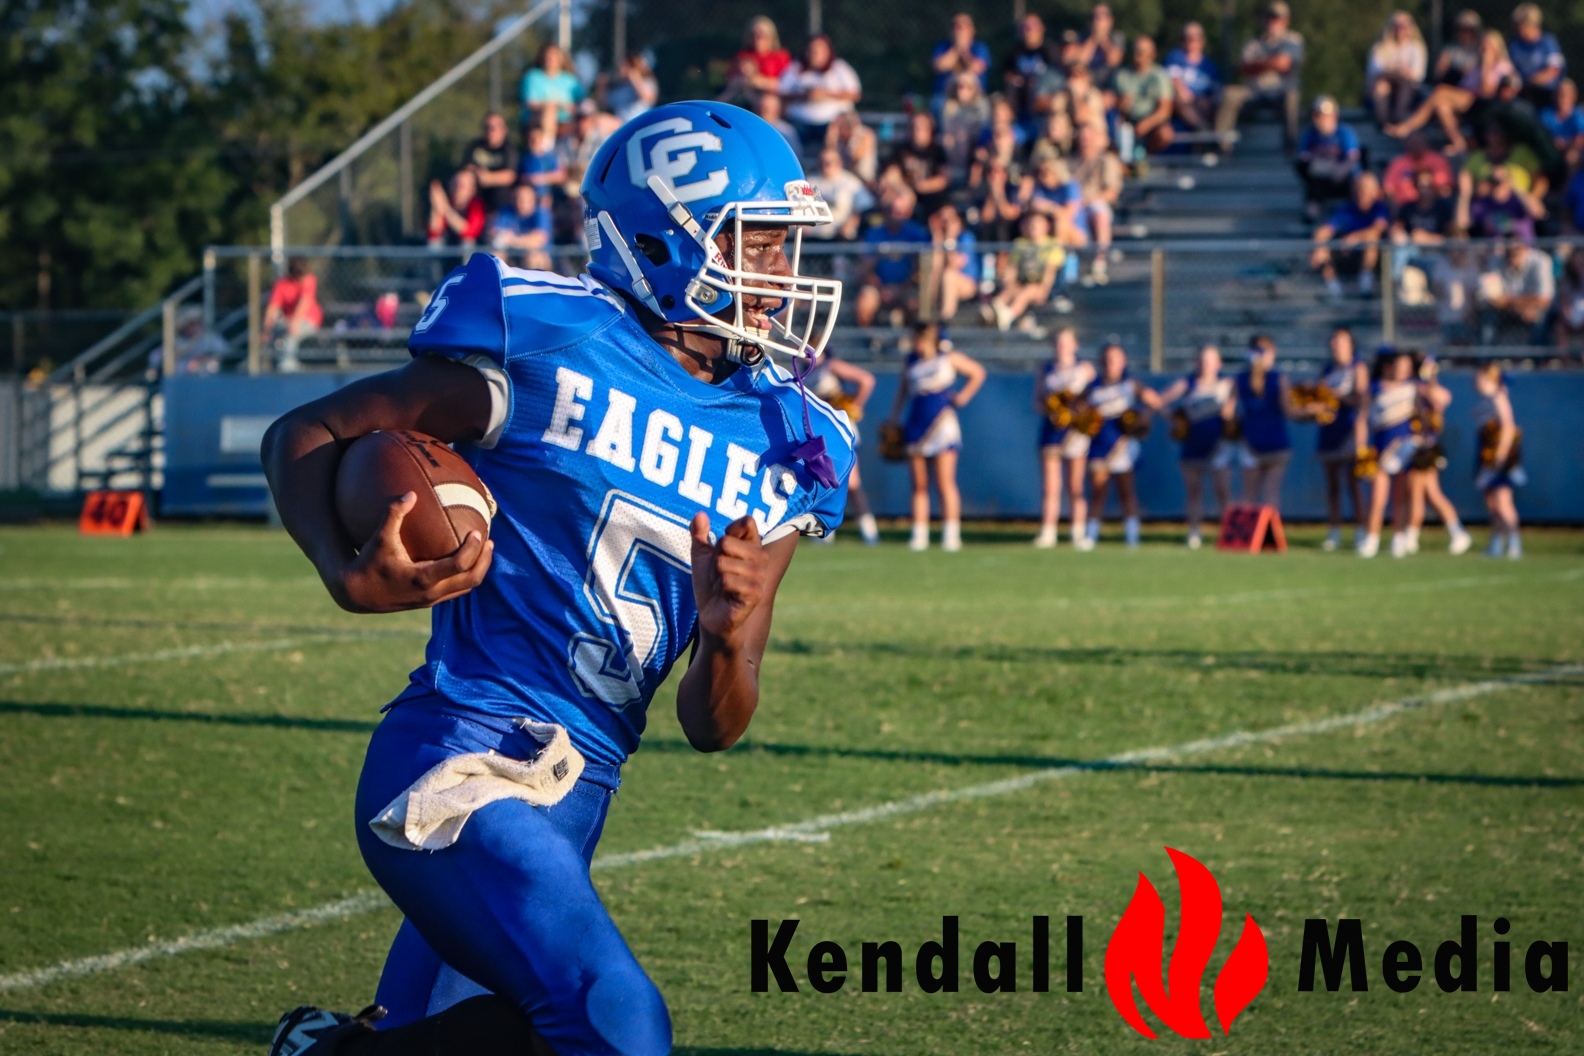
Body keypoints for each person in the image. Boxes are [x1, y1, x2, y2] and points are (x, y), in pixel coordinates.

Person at [261, 101, 853, 1056]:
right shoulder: (548, 342)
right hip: (459, 753)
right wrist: (342, 568)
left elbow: (716, 724)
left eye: (785, 244)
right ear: (663, 241)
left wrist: (724, 633)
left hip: (579, 795)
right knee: (617, 1020)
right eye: (757, 241)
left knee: (519, 1036)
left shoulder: (790, 441)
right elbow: (309, 431)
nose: (780, 272)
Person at [886, 322, 985, 551]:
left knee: (944, 481)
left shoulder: (948, 358)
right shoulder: (910, 361)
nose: (915, 343)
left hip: (942, 423)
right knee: (919, 483)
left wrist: (962, 397)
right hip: (916, 422)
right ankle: (919, 534)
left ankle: (951, 534)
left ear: (929, 339)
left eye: (918, 338)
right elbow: (902, 391)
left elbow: (977, 373)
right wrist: (893, 418)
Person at [1385, 29, 1516, 155]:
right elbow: (1463, 85)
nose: (1484, 49)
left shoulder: (1503, 66)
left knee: (1441, 91)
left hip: (1482, 103)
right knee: (1442, 106)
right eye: (1483, 45)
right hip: (1466, 99)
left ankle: (1407, 127)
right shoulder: (1476, 67)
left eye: (1488, 45)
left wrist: (1486, 66)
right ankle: (1459, 143)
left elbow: (1487, 91)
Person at [1155, 343, 1234, 549]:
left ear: (1218, 363)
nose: (1205, 365)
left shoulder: (1227, 384)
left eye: (1210, 361)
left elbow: (1232, 410)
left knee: (1222, 491)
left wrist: (1229, 413)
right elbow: (1158, 400)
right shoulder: (1188, 383)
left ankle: (1229, 533)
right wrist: (1173, 419)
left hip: (1218, 445)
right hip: (1192, 444)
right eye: (1202, 360)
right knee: (1194, 492)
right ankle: (1194, 533)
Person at [1084, 342, 1160, 548]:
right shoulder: (1093, 386)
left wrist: (1142, 419)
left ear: (1123, 362)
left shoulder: (1130, 384)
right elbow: (1079, 409)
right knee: (1097, 492)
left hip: (1123, 445)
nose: (1110, 364)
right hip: (1099, 443)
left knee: (1126, 492)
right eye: (1107, 359)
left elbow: (1155, 402)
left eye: (1115, 360)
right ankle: (1090, 536)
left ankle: (1132, 536)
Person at [804, 349, 880, 544]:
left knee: (852, 483)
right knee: (821, 480)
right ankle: (823, 532)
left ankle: (869, 532)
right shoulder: (804, 371)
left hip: (838, 430)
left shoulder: (830, 366)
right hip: (818, 431)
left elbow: (866, 380)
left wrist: (855, 405)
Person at [1031, 327, 1097, 549]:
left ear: (1075, 346)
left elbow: (1094, 397)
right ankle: (1048, 532)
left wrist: (1079, 412)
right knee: (1050, 487)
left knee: (1075, 485)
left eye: (1066, 343)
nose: (1061, 347)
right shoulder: (1046, 369)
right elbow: (1037, 401)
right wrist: (1052, 410)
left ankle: (1077, 532)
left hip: (1076, 432)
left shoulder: (1085, 368)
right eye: (1058, 343)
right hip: (1052, 431)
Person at [1402, 353, 1473, 556]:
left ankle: (1412, 537)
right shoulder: (1412, 388)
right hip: (1413, 446)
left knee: (1421, 492)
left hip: (1426, 448)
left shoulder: (1429, 390)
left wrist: (1428, 382)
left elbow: (1441, 400)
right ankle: (1453, 532)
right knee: (1426, 493)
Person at [1305, 327, 1368, 551]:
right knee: (1332, 485)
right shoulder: (1327, 370)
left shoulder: (1357, 368)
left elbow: (1360, 399)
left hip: (1349, 430)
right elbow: (1321, 401)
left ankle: (1361, 531)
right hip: (1329, 430)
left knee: (1353, 484)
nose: (1336, 345)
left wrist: (1335, 395)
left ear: (1350, 345)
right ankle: (1334, 532)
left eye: (1341, 341)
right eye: (1334, 341)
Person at [1356, 346, 1421, 558]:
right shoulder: (1374, 389)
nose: (1404, 370)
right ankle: (1371, 538)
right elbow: (1362, 420)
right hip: (1381, 449)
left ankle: (1398, 538)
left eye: (1408, 367)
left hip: (1405, 450)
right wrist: (1361, 448)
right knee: (1377, 497)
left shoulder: (1413, 388)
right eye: (1400, 366)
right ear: (1388, 367)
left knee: (1400, 497)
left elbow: (1439, 402)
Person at [1216, 1, 1304, 149]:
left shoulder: (1293, 40)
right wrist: (1271, 63)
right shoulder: (1253, 43)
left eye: (1276, 18)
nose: (1272, 22)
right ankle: (1221, 146)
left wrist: (1259, 64)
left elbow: (1283, 64)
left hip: (1280, 93)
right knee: (1229, 94)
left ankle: (1291, 146)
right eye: (1269, 17)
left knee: (1291, 97)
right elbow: (1243, 67)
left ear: (1285, 20)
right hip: (1255, 93)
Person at [1233, 336, 1294, 510]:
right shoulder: (1277, 378)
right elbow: (1290, 411)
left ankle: (1248, 529)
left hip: (1255, 443)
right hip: (1270, 443)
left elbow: (1228, 412)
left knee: (1249, 495)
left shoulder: (1241, 379)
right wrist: (1312, 411)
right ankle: (1269, 529)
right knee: (1269, 494)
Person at [855, 188, 930, 327]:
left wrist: (901, 288)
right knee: (865, 301)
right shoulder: (874, 234)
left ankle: (910, 337)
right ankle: (870, 337)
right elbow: (865, 267)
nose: (894, 215)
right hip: (879, 288)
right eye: (891, 211)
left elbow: (921, 268)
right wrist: (880, 287)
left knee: (914, 303)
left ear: (908, 213)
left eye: (899, 212)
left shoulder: (917, 235)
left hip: (907, 287)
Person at [1472, 362, 1525, 557]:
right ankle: (1496, 543)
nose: (1475, 382)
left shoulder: (1498, 397)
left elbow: (1508, 427)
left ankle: (1514, 543)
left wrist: (1500, 455)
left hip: (1498, 458)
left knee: (1503, 502)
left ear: (1489, 379)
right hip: (1486, 455)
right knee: (1491, 503)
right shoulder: (1485, 400)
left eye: (1479, 378)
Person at [1310, 171, 1389, 297]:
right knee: (1322, 249)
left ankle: (1365, 287)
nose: (1363, 193)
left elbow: (1378, 229)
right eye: (1361, 189)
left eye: (1367, 189)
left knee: (1372, 240)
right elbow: (1325, 230)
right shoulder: (1347, 209)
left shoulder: (1380, 208)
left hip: (1376, 256)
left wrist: (1355, 237)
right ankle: (1335, 291)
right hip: (1347, 252)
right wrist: (1319, 246)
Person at [780, 35, 862, 154]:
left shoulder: (839, 68)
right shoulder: (795, 67)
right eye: (811, 50)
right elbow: (781, 92)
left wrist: (826, 94)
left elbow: (855, 94)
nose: (815, 54)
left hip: (833, 123)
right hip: (799, 123)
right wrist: (805, 96)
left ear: (828, 51)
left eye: (819, 50)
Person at [991, 211, 1064, 332]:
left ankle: (1008, 315)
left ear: (1046, 226)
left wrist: (1044, 289)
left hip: (1040, 286)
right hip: (1022, 282)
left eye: (1037, 223)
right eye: (1030, 223)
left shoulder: (1052, 245)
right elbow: (1012, 267)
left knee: (1027, 291)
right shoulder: (1020, 244)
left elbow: (1050, 271)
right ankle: (993, 309)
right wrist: (1008, 282)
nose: (1033, 226)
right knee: (1010, 290)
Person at [1071, 122, 1123, 285]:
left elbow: (1112, 193)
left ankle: (1099, 262)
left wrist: (1087, 201)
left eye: (1088, 137)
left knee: (1099, 213)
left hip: (1094, 203)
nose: (1085, 140)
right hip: (1073, 206)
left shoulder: (1106, 160)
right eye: (1082, 137)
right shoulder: (1071, 161)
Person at [1296, 95, 1361, 221]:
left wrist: (1336, 170)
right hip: (1322, 179)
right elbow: (1304, 162)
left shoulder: (1344, 133)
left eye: (1324, 116)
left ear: (1335, 116)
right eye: (1317, 115)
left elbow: (1352, 159)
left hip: (1344, 179)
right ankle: (1313, 208)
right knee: (1313, 177)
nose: (1320, 120)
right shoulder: (1309, 134)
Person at [1478, 238, 1554, 345]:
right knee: (1488, 317)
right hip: (1505, 310)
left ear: (1525, 249)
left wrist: (1512, 302)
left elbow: (1544, 299)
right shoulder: (1496, 261)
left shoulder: (1541, 261)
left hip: (1529, 309)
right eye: (1509, 250)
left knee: (1539, 317)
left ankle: (1539, 355)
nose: (1512, 255)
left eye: (1517, 250)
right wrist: (1519, 305)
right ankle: (1487, 355)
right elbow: (1493, 299)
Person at [1003, 14, 1065, 140]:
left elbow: (1056, 76)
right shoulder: (1015, 50)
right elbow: (1007, 73)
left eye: (1033, 27)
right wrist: (1017, 79)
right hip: (1021, 98)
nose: (1029, 31)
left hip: (1044, 96)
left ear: (1041, 29)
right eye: (1026, 27)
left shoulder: (1050, 49)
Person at [1113, 36, 1176, 155]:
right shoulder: (1121, 75)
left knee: (1165, 134)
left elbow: (1165, 110)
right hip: (1127, 121)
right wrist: (1120, 104)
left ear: (1152, 54)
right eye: (1134, 51)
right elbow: (1114, 103)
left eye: (1141, 52)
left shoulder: (1160, 76)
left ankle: (1145, 156)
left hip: (1152, 122)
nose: (1136, 55)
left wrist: (1146, 124)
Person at [1366, 11, 1427, 127]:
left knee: (1404, 86)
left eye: (1404, 26)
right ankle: (1384, 124)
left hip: (1408, 89)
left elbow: (1417, 75)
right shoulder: (1380, 48)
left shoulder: (1417, 48)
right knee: (1381, 86)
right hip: (1385, 87)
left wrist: (1394, 72)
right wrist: (1398, 72)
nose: (1400, 30)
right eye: (1397, 26)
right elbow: (1375, 71)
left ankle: (1397, 121)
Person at [262, 258, 323, 373]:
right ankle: (267, 364)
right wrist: (267, 329)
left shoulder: (309, 279)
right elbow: (273, 308)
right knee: (274, 333)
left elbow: (304, 302)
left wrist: (295, 322)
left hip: (309, 320)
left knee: (290, 335)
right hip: (288, 321)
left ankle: (287, 365)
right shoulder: (281, 284)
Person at [887, 112, 951, 219]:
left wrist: (920, 186)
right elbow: (892, 174)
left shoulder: (937, 151)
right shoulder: (901, 149)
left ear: (929, 130)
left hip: (932, 196)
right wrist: (905, 190)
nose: (916, 130)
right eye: (913, 126)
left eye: (920, 127)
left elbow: (943, 179)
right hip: (905, 193)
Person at [927, 204, 979, 322]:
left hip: (967, 283)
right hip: (941, 284)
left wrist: (950, 238)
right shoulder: (938, 239)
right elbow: (935, 265)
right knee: (931, 274)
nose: (946, 224)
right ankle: (928, 318)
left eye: (949, 220)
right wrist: (937, 237)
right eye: (943, 220)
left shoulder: (966, 238)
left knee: (949, 275)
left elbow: (954, 264)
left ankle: (945, 320)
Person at [1508, 3, 1566, 111]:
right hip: (1522, 93)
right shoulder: (1515, 45)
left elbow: (1554, 70)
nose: (1519, 29)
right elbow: (1510, 70)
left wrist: (1533, 81)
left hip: (1547, 94)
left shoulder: (1548, 43)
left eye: (1522, 25)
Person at [1164, 22, 1220, 132]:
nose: (1189, 41)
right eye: (1186, 38)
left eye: (1193, 38)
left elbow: (1215, 88)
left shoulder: (1209, 65)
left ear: (1201, 41)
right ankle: (1201, 128)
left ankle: (1216, 133)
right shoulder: (1175, 57)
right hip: (1184, 102)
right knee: (1179, 99)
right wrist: (1185, 94)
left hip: (1204, 102)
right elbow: (1174, 80)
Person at [807, 149, 872, 241]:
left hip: (840, 236)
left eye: (829, 162)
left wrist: (851, 223)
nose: (825, 165)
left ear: (839, 163)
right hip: (813, 236)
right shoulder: (810, 182)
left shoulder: (851, 182)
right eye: (822, 162)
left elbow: (865, 207)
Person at [724, 16, 792, 103]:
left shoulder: (780, 56)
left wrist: (759, 82)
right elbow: (730, 79)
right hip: (745, 96)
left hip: (773, 99)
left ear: (771, 36)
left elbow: (786, 85)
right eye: (753, 34)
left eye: (761, 35)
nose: (756, 38)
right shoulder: (742, 56)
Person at [461, 113, 519, 214]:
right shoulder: (475, 146)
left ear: (503, 130)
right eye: (487, 127)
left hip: (499, 200)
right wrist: (478, 173)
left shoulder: (509, 150)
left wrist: (489, 178)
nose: (490, 131)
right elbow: (466, 167)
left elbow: (510, 175)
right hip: (476, 195)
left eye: (494, 128)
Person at [520, 44, 583, 138]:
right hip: (538, 120)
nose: (550, 59)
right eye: (547, 56)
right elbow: (530, 103)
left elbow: (582, 102)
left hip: (568, 119)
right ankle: (548, 145)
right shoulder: (532, 77)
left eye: (553, 56)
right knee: (549, 110)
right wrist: (556, 105)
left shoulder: (570, 80)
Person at [931, 13, 992, 109]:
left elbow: (977, 68)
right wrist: (957, 48)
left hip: (974, 96)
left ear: (972, 30)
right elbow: (939, 67)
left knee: (983, 106)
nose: (960, 31)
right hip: (946, 95)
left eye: (963, 27)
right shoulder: (942, 47)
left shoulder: (980, 48)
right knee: (937, 104)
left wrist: (965, 52)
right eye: (956, 27)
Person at [487, 182, 552, 271]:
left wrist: (512, 240)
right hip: (510, 253)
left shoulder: (541, 214)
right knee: (495, 257)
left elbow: (538, 239)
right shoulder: (506, 212)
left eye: (525, 199)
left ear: (533, 199)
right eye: (517, 198)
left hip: (538, 254)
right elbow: (494, 234)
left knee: (533, 258)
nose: (520, 202)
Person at [940, 74, 992, 185]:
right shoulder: (949, 105)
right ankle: (957, 172)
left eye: (968, 86)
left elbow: (984, 128)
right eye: (960, 86)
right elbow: (946, 129)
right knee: (949, 140)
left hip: (977, 142)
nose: (963, 90)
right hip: (957, 143)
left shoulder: (982, 105)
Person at [1382, 132, 1453, 207]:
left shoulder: (1437, 160)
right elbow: (1389, 188)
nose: (1416, 145)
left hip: (1433, 207)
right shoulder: (1398, 163)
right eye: (1413, 142)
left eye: (1418, 142)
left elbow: (1445, 187)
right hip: (1404, 207)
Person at [427, 168, 487, 249]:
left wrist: (445, 208)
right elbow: (433, 233)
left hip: (473, 250)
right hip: (448, 245)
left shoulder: (477, 205)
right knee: (434, 243)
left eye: (462, 185)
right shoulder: (447, 202)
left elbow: (470, 232)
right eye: (455, 184)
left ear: (472, 189)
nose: (457, 188)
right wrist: (435, 205)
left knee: (468, 243)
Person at [600, 54, 658, 123]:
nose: (621, 69)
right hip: (622, 124)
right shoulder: (619, 88)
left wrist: (634, 77)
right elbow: (605, 104)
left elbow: (647, 98)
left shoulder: (647, 82)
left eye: (624, 66)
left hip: (641, 122)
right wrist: (602, 88)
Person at [1077, 4, 1126, 84]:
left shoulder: (1117, 37)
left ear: (1109, 21)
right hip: (1087, 82)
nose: (1096, 21)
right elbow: (1080, 62)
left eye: (1100, 17)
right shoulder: (1083, 37)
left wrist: (1103, 38)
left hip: (1110, 83)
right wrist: (1093, 38)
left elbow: (1113, 61)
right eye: (1093, 17)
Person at [826, 110, 879, 184]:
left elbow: (856, 157)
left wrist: (850, 139)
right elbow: (829, 155)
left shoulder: (865, 134)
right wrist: (832, 137)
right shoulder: (838, 137)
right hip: (841, 177)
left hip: (863, 178)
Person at [1541, 78, 1584, 168]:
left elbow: (1581, 139)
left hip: (1572, 152)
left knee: (1571, 156)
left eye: (1566, 95)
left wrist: (1565, 144)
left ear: (1574, 96)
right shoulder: (1546, 115)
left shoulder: (1578, 116)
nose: (1562, 98)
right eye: (1559, 94)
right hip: (1549, 151)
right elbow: (1540, 136)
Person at [517, 122, 565, 194]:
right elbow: (519, 177)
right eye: (532, 138)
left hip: (548, 196)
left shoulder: (550, 157)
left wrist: (541, 179)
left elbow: (560, 176)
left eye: (537, 137)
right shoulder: (524, 158)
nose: (535, 141)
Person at [755, 91, 802, 157]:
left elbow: (795, 154)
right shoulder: (749, 128)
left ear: (776, 110)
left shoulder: (787, 131)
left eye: (766, 109)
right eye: (759, 108)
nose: (761, 113)